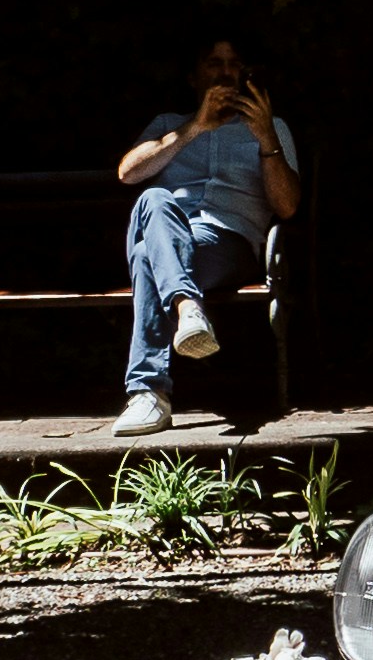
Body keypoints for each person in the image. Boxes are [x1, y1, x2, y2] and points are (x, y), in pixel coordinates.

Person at [111, 40, 301, 433]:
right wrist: (196, 125)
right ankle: (188, 309)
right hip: (173, 237)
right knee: (154, 201)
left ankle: (149, 394)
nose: (226, 71)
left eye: (234, 63)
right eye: (214, 63)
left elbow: (287, 207)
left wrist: (266, 138)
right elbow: (128, 172)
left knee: (148, 253)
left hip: (226, 245)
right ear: (194, 77)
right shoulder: (168, 124)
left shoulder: (272, 125)